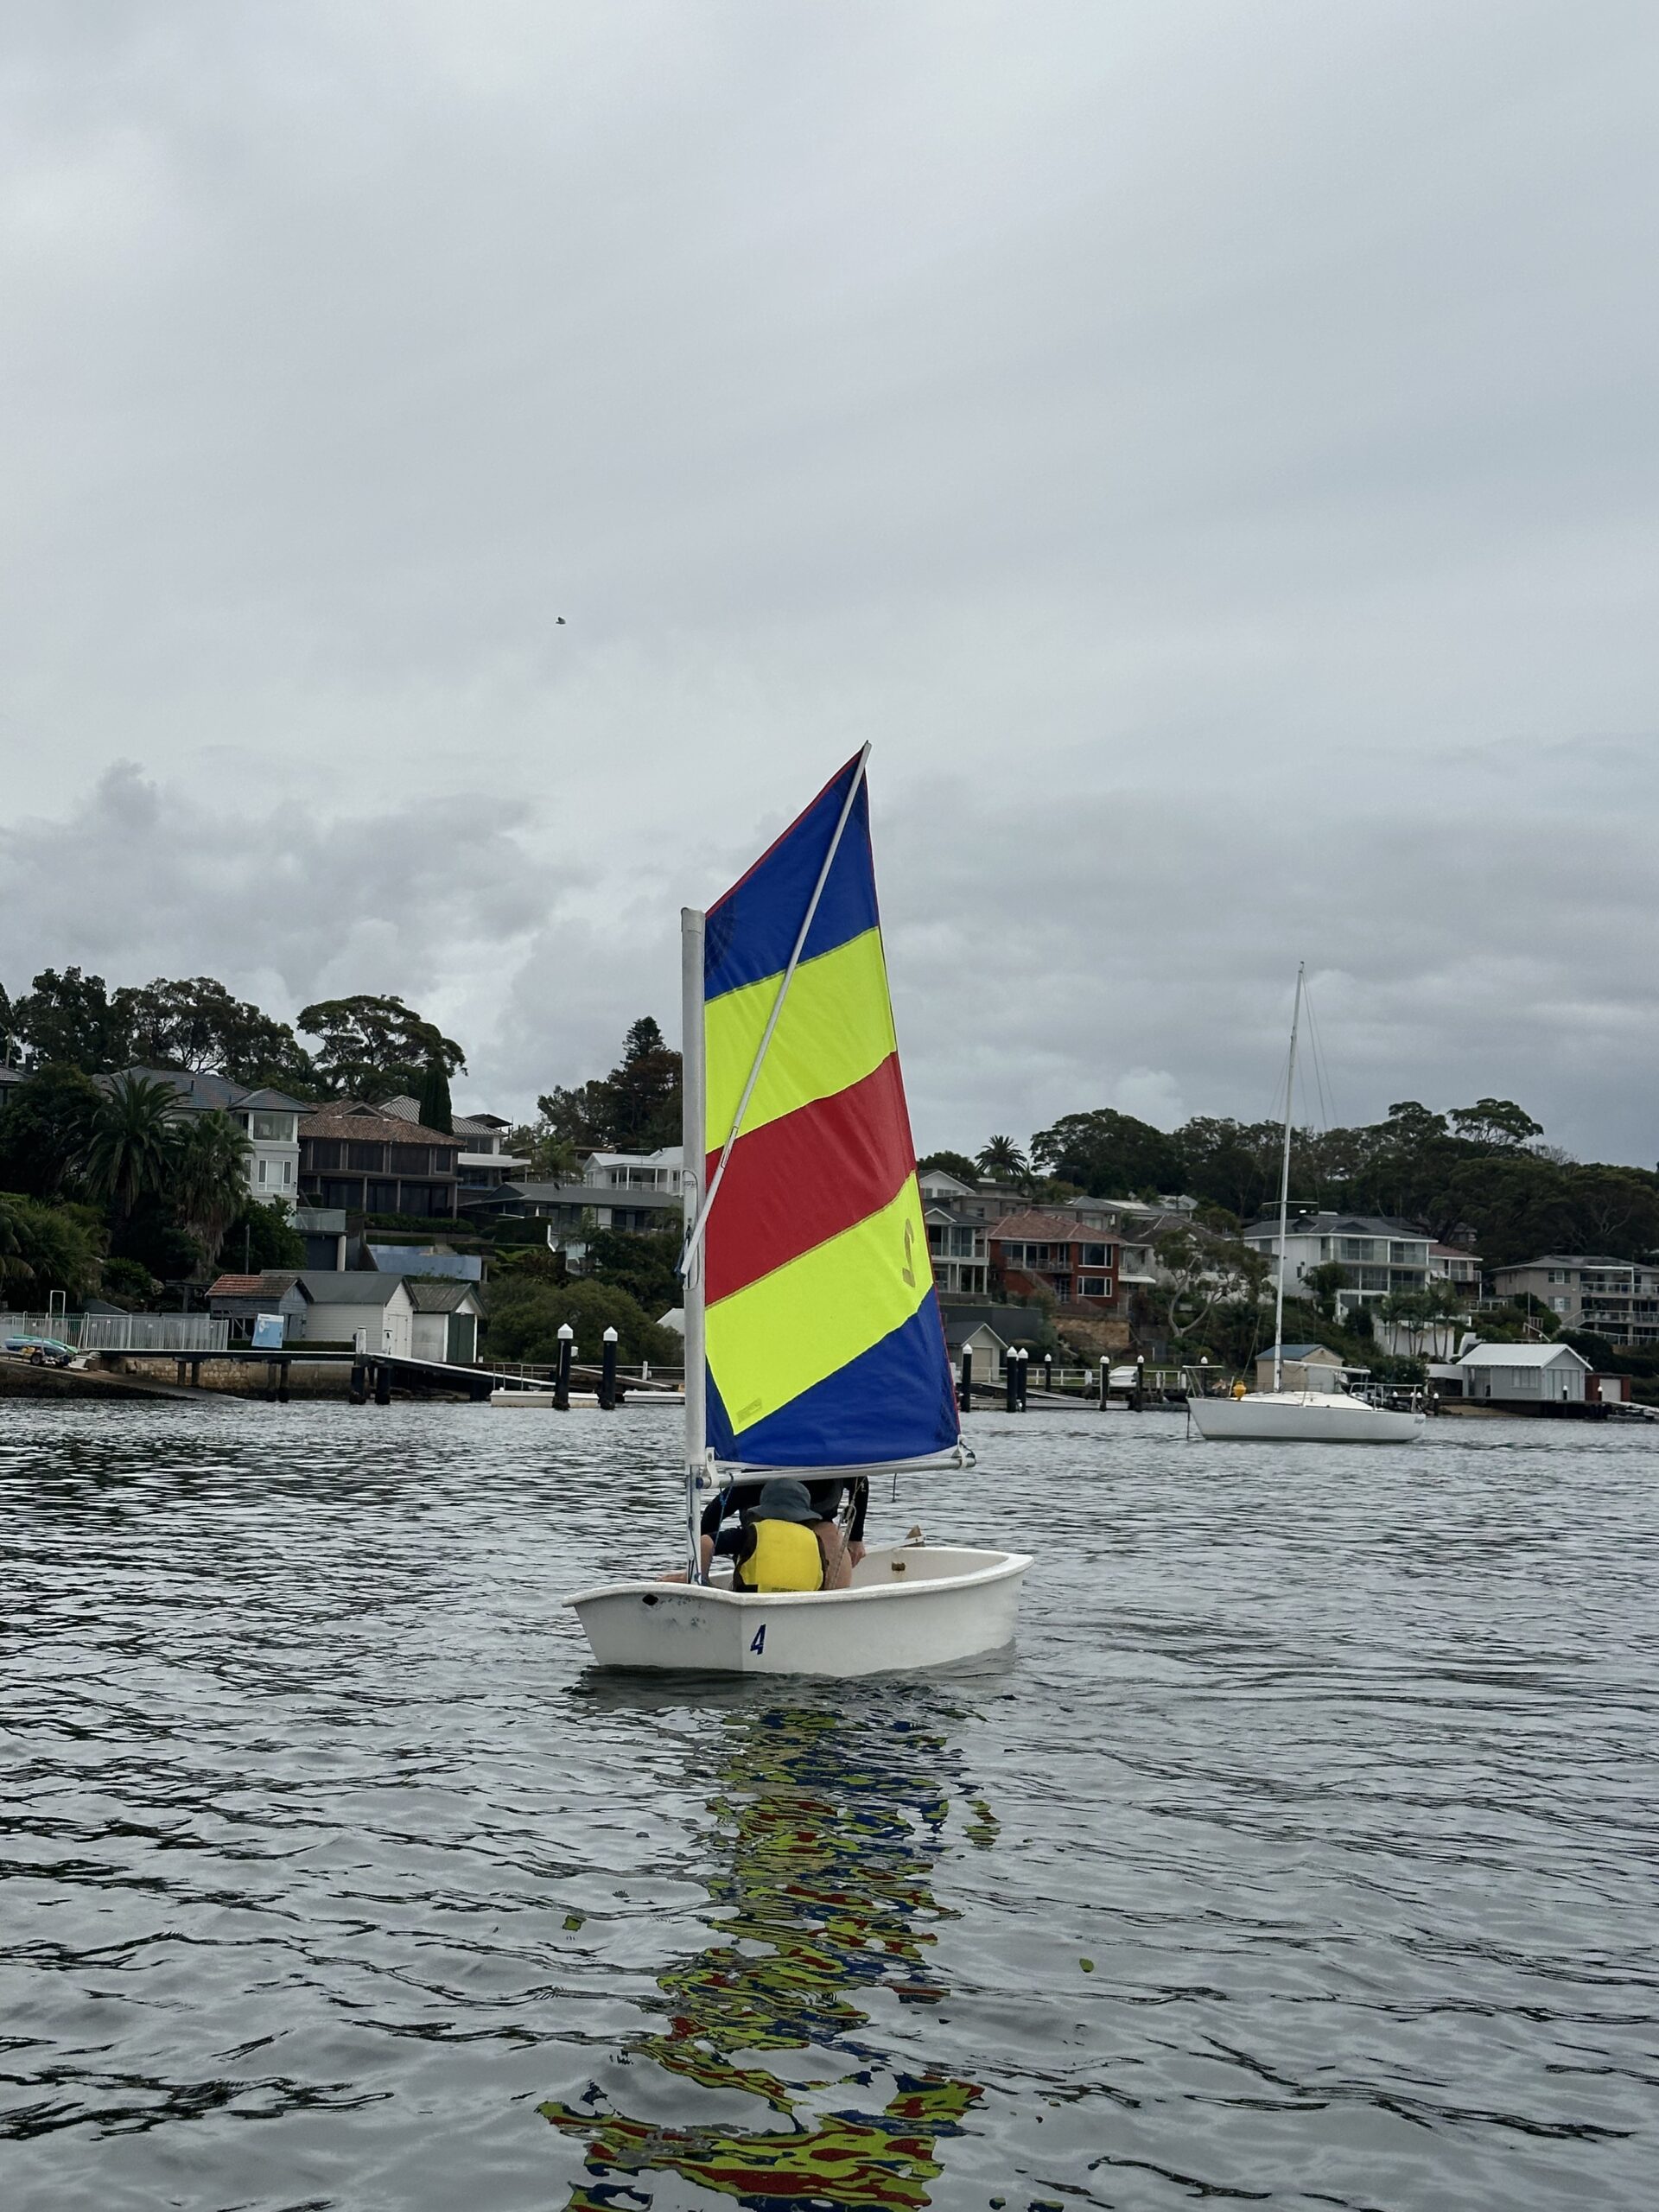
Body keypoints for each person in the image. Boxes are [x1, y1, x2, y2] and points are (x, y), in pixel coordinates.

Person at [697, 1472, 869, 1590]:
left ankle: (831, 1602)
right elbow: (714, 1513)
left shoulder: (835, 1465)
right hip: (761, 1544)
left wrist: (856, 1537)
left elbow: (861, 1479)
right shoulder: (755, 1478)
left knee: (830, 1535)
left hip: (815, 1535)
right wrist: (700, 1576)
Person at [725, 1478, 826, 1592]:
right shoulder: (815, 1539)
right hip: (802, 1602)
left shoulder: (751, 1533)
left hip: (754, 1600)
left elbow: (709, 1542)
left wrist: (708, 1583)